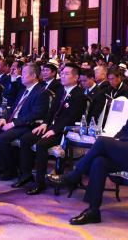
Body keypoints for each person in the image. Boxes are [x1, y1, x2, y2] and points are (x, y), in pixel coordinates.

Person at [47, 71, 128, 225]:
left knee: (103, 142)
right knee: (99, 161)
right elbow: (126, 128)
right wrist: (117, 140)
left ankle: (73, 176)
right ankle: (93, 211)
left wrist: (118, 141)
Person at [16, 64, 86, 194]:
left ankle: (39, 183)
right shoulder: (61, 91)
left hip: (65, 131)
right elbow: (51, 111)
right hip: (50, 127)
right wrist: (44, 124)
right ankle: (26, 175)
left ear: (76, 77)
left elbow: (71, 118)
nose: (62, 76)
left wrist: (54, 130)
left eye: (66, 74)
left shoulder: (79, 95)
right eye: (62, 73)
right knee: (26, 139)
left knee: (41, 144)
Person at [0, 63, 50, 180]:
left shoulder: (41, 92)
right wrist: (3, 119)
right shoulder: (23, 90)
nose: (21, 75)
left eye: (24, 73)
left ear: (34, 75)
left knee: (3, 138)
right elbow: (13, 108)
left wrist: (13, 124)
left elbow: (35, 114)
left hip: (27, 125)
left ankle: (11, 169)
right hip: (14, 121)